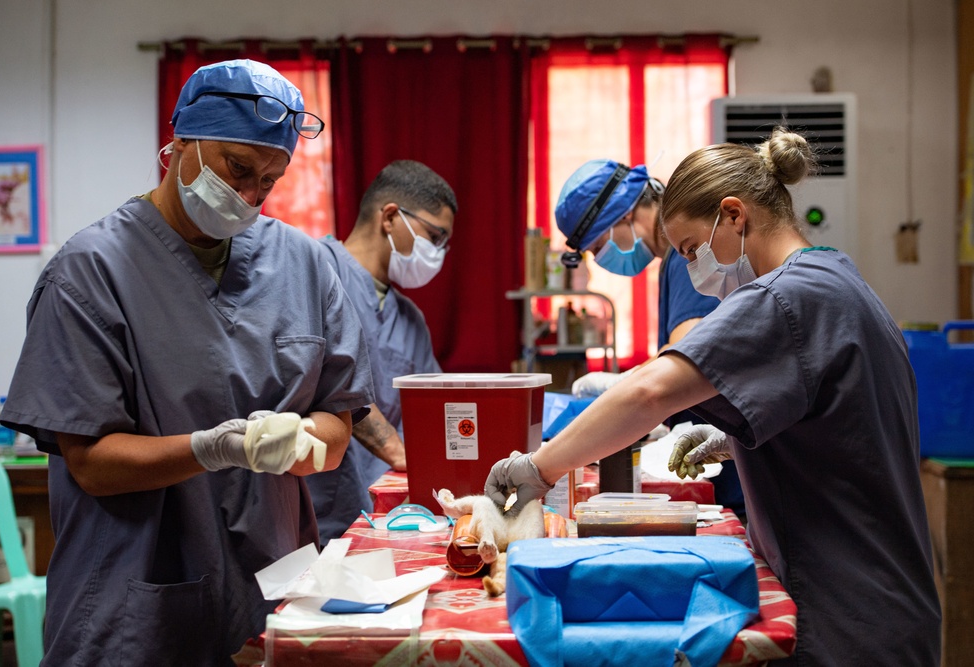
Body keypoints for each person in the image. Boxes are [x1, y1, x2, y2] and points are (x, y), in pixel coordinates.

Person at [485, 129, 941, 665]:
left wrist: (538, 468)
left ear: (734, 215)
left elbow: (652, 392)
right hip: (885, 604)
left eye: (692, 250)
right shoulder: (835, 276)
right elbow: (840, 421)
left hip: (851, 616)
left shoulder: (786, 296)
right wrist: (735, 435)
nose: (696, 274)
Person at [0, 60, 375, 665]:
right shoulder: (90, 273)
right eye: (237, 167)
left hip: (274, 590)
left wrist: (303, 438)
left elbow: (337, 428)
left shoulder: (304, 266)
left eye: (270, 180)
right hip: (134, 607)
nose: (251, 195)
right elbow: (91, 464)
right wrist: (215, 449)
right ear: (179, 143)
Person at [560, 161, 745, 519]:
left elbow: (688, 358)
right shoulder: (676, 262)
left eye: (599, 246)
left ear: (626, 215)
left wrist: (627, 384)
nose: (600, 260)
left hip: (729, 465)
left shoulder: (688, 259)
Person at [307, 159, 456, 544]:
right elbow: (325, 380)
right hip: (320, 513)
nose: (438, 252)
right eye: (434, 236)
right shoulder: (311, 272)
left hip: (398, 518)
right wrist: (400, 453)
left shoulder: (409, 318)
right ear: (390, 216)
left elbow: (436, 409)